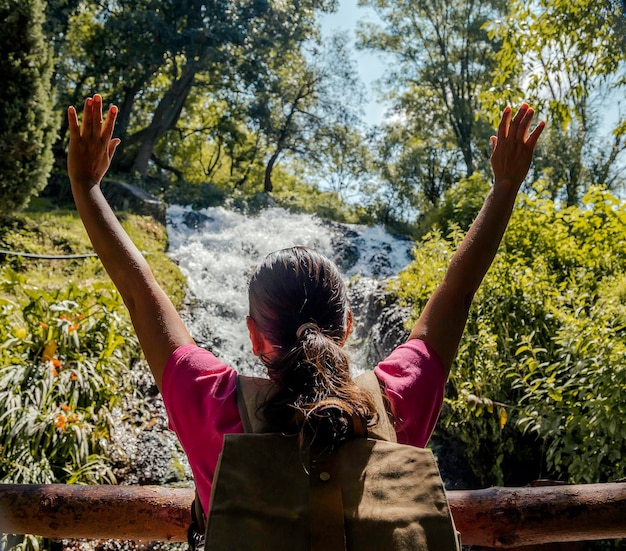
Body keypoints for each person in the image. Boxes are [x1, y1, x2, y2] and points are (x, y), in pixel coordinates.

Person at [67, 94, 544, 541]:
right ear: (348, 326)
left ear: (253, 337)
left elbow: (139, 290)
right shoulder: (395, 403)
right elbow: (457, 294)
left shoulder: (213, 407)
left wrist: (86, 187)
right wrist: (504, 186)